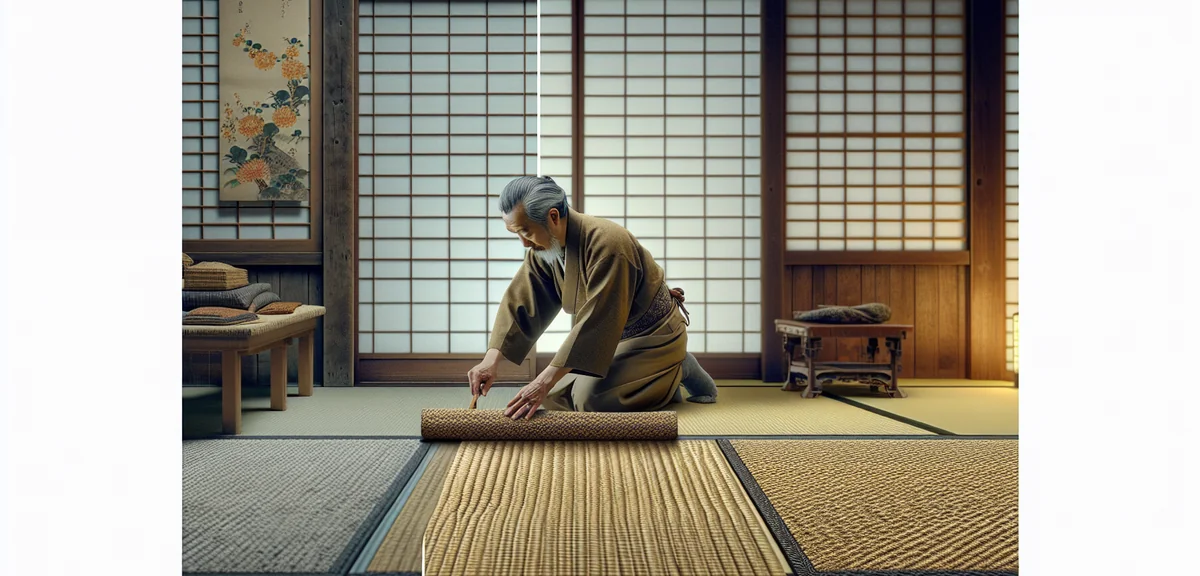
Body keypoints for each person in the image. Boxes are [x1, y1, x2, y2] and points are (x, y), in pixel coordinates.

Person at [466, 176, 719, 420]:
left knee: (590, 401)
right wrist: (490, 362)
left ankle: (675, 367)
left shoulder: (609, 244)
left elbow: (598, 321)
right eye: (516, 234)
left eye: (525, 231)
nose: (523, 243)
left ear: (553, 217)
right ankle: (650, 378)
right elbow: (521, 302)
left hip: (652, 335)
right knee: (554, 396)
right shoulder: (545, 248)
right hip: (611, 341)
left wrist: (543, 380)